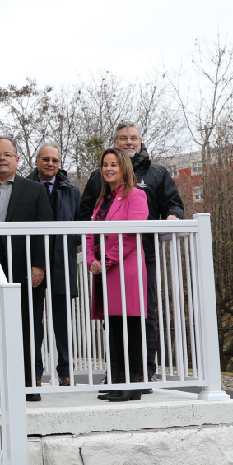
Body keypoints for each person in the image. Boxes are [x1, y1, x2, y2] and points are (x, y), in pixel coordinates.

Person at [77, 123, 184, 380]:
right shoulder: (98, 178)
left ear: (140, 140)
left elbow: (174, 204)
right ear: (115, 141)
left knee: (142, 315)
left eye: (133, 138)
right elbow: (85, 217)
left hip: (140, 256)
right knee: (113, 318)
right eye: (123, 138)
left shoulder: (157, 173)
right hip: (107, 261)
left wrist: (173, 216)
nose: (129, 142)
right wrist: (91, 256)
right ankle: (117, 373)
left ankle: (143, 372)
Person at [0, 137, 54, 402]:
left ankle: (28, 383)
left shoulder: (35, 190)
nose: (2, 158)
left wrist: (38, 264)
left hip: (28, 273)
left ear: (17, 159)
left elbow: (44, 230)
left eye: (7, 154)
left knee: (29, 327)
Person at [85, 148, 150, 402]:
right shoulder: (103, 200)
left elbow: (130, 234)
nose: (108, 168)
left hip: (126, 271)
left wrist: (106, 260)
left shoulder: (136, 196)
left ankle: (133, 384)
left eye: (113, 164)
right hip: (104, 273)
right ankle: (117, 380)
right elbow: (90, 233)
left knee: (130, 327)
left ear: (123, 168)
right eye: (104, 164)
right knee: (113, 328)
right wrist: (91, 259)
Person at [26, 143, 81, 386]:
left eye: (55, 160)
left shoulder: (71, 190)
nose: (50, 164)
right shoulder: (25, 187)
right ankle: (35, 371)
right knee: (33, 319)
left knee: (62, 320)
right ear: (36, 161)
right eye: (45, 159)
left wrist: (66, 245)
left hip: (62, 261)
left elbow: (80, 226)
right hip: (33, 262)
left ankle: (65, 371)